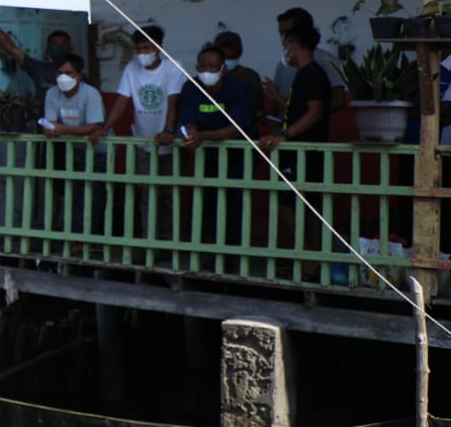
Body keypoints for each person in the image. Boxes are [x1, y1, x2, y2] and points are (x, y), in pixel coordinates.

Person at [100, 26, 184, 242]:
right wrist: (105, 126)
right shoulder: (131, 69)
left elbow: (173, 103)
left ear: (158, 48)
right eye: (139, 49)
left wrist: (168, 131)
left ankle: (169, 241)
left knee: (170, 195)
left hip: (170, 143)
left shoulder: (173, 68)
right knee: (147, 195)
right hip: (144, 142)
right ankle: (150, 241)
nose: (142, 53)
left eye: (147, 48)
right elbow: (121, 101)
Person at [259, 26, 331, 259]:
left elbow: (315, 112)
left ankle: (309, 257)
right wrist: (277, 98)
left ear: (293, 45)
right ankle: (312, 258)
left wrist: (285, 135)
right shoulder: (305, 74)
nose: (286, 52)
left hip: (304, 151)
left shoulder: (311, 74)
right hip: (302, 151)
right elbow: (299, 109)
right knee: (307, 205)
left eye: (286, 46)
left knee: (288, 204)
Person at [178, 44, 256, 256]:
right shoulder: (190, 88)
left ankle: (232, 254)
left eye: (212, 67)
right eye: (202, 66)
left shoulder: (236, 88)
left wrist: (202, 136)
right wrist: (191, 131)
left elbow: (237, 127)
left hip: (237, 157)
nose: (207, 71)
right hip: (207, 156)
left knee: (234, 204)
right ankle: (205, 252)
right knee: (205, 201)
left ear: (223, 68)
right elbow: (186, 121)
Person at [41, 54, 106, 238]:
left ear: (78, 75)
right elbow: (51, 123)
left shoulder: (90, 93)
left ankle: (93, 240)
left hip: (97, 152)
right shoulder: (52, 93)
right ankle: (76, 239)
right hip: (73, 151)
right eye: (59, 73)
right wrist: (51, 130)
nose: (63, 77)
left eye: (68, 73)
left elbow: (94, 125)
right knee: (75, 197)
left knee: (95, 198)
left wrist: (63, 129)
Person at [0, 3, 73, 103]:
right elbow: (11, 47)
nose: (59, 47)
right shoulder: (39, 69)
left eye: (63, 44)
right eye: (55, 44)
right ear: (48, 49)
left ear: (70, 48)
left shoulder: (80, 76)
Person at [266, 7, 345, 119]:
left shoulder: (325, 61)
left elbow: (338, 101)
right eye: (281, 33)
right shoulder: (283, 63)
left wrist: (310, 117)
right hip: (284, 128)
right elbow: (279, 105)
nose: (284, 37)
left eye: (288, 32)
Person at [213, 30, 265, 118]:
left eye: (232, 57)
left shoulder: (250, 76)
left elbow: (256, 109)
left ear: (240, 53)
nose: (228, 61)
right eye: (224, 57)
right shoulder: (208, 77)